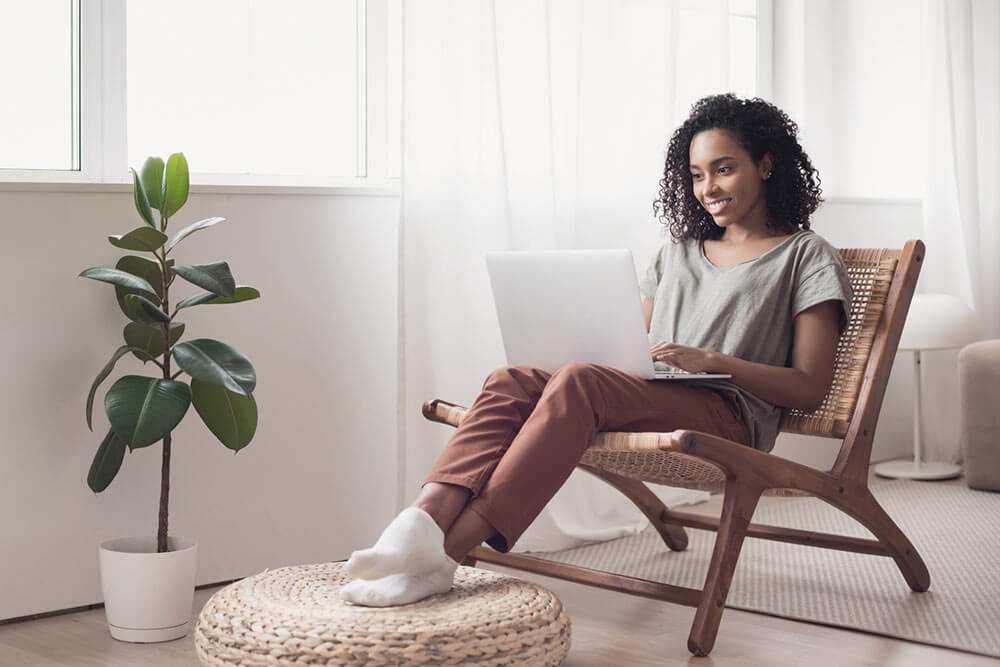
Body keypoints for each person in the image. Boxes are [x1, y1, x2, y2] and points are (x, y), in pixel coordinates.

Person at [339, 93, 853, 607]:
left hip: (728, 419)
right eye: (696, 175)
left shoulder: (806, 256)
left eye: (723, 170)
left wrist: (716, 362)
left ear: (765, 165)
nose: (708, 188)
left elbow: (809, 387)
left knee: (580, 380)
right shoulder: (676, 253)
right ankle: (419, 524)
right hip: (659, 396)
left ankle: (444, 557)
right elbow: (634, 347)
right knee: (510, 379)